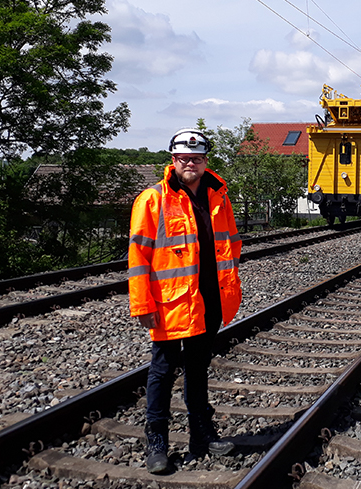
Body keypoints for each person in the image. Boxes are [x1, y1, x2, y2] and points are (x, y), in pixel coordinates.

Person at [128, 128, 243, 474]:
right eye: (182, 158)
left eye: (195, 158)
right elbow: (138, 257)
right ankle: (157, 442)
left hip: (209, 300)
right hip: (169, 304)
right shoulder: (153, 199)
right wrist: (142, 305)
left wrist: (228, 288)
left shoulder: (218, 196)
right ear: (173, 160)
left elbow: (232, 244)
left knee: (198, 369)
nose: (189, 163)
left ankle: (201, 435)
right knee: (162, 371)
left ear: (205, 161)